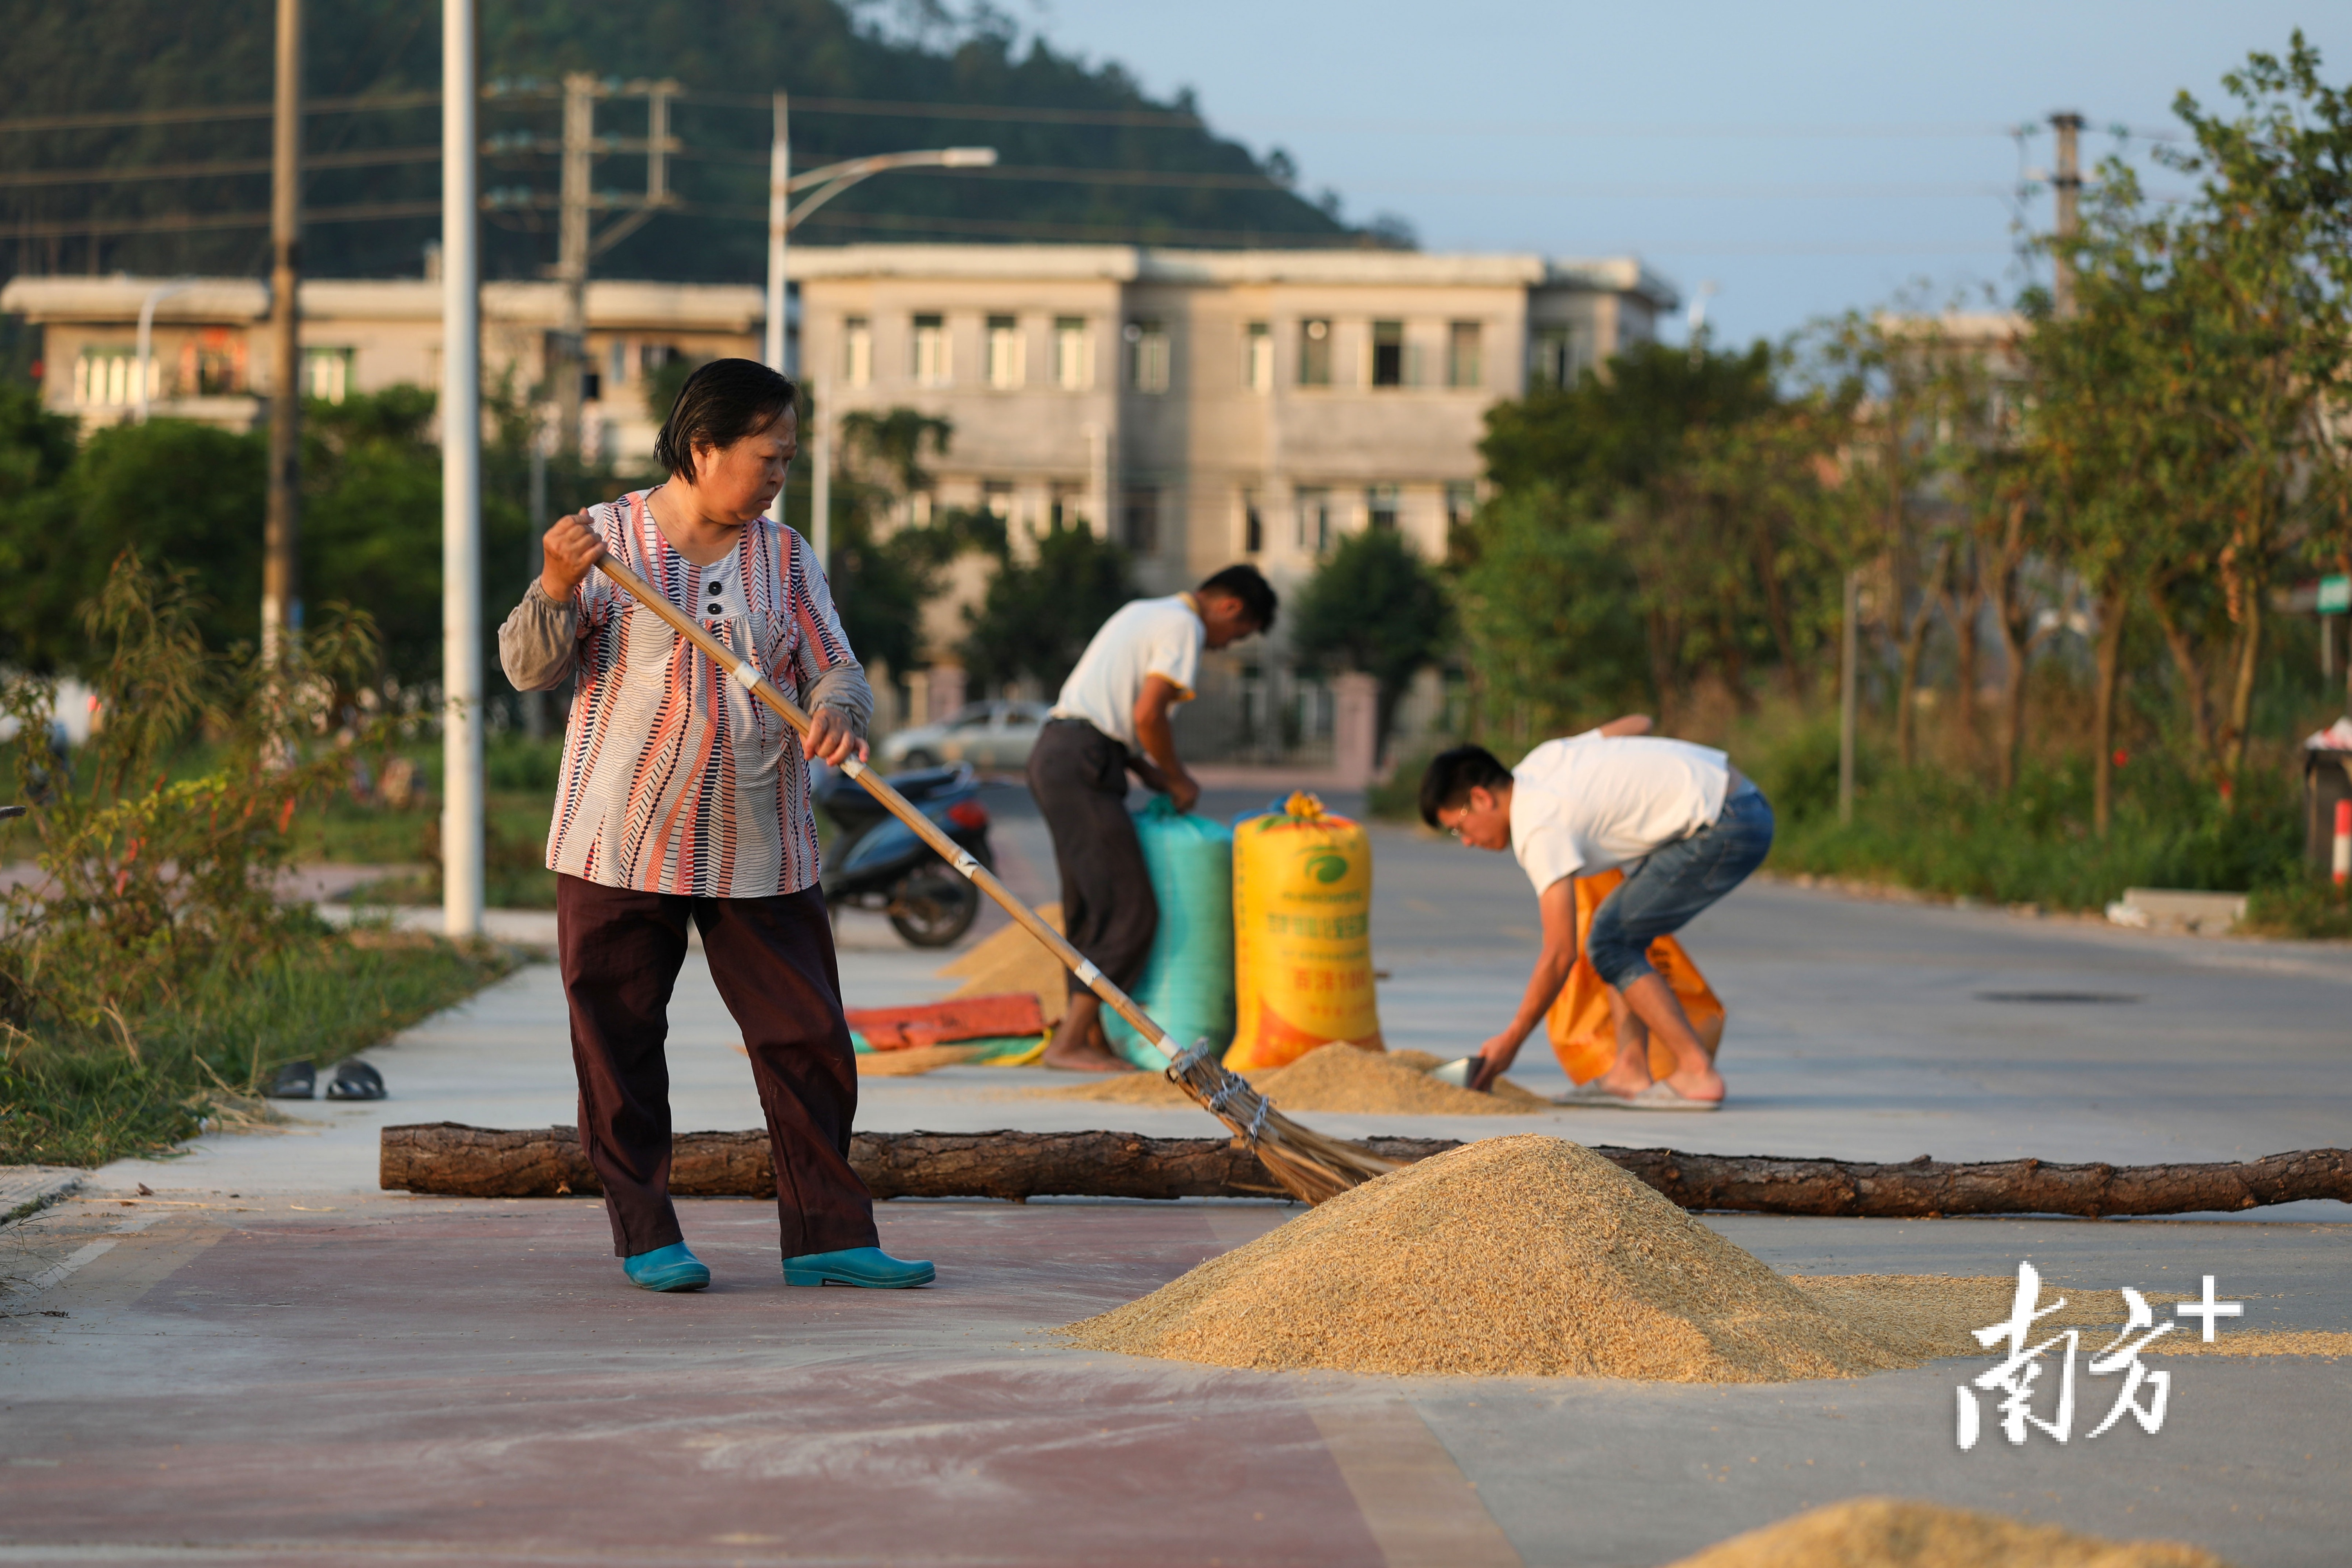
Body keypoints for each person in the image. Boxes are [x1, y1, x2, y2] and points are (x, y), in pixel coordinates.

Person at [499, 358, 931, 1293]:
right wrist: (554, 583)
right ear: (703, 448)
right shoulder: (602, 541)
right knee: (619, 1042)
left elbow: (837, 668)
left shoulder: (784, 556)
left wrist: (839, 710)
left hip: (761, 842)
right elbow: (528, 669)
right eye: (768, 456)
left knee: (807, 1036)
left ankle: (826, 1236)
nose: (780, 473)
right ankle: (647, 1232)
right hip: (620, 840)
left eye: (788, 458)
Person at [1418, 718, 1774, 1110]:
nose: (1468, 842)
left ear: (1483, 798)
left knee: (1610, 941)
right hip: (1737, 800)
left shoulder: (1538, 828)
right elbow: (1639, 723)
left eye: (1460, 828)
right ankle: (1629, 1069)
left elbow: (1560, 954)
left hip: (1728, 823)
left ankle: (1696, 1070)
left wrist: (1512, 1039)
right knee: (1617, 930)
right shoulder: (1544, 761)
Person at [1027, 565, 1277, 1071]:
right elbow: (1147, 714)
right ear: (1229, 607)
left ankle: (1089, 1036)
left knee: (1091, 906)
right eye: (1239, 635)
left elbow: (1113, 718)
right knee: (1129, 908)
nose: (1226, 647)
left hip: (1065, 754)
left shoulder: (1145, 611)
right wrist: (1179, 777)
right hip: (1083, 762)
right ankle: (1071, 1040)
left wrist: (1151, 773)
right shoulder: (1184, 625)